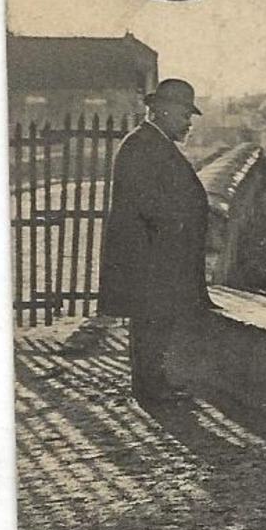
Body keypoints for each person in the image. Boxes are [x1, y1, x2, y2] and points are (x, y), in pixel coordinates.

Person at [97, 78, 213, 405]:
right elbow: (144, 201)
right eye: (183, 114)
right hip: (148, 256)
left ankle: (154, 383)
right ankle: (149, 389)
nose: (188, 122)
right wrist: (180, 220)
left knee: (157, 322)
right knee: (150, 322)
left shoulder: (153, 142)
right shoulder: (141, 144)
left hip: (156, 254)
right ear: (161, 110)